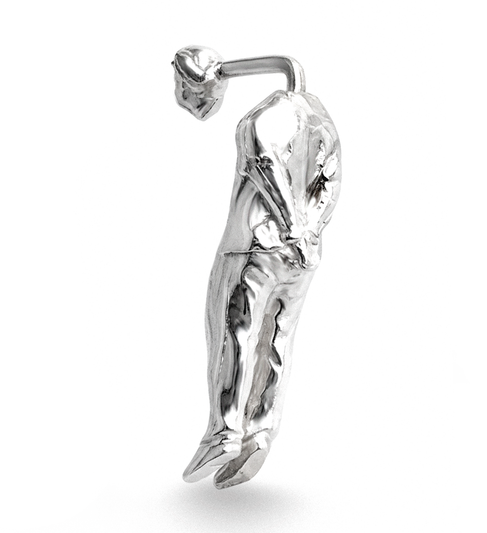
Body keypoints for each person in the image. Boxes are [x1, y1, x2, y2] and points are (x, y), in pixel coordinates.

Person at [174, 46, 341, 489]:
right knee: (277, 340)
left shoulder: (257, 121)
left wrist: (292, 228)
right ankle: (260, 432)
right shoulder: (322, 120)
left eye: (186, 89)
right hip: (300, 258)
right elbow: (330, 181)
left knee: (234, 334)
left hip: (251, 246)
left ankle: (225, 433)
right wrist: (310, 235)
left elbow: (264, 162)